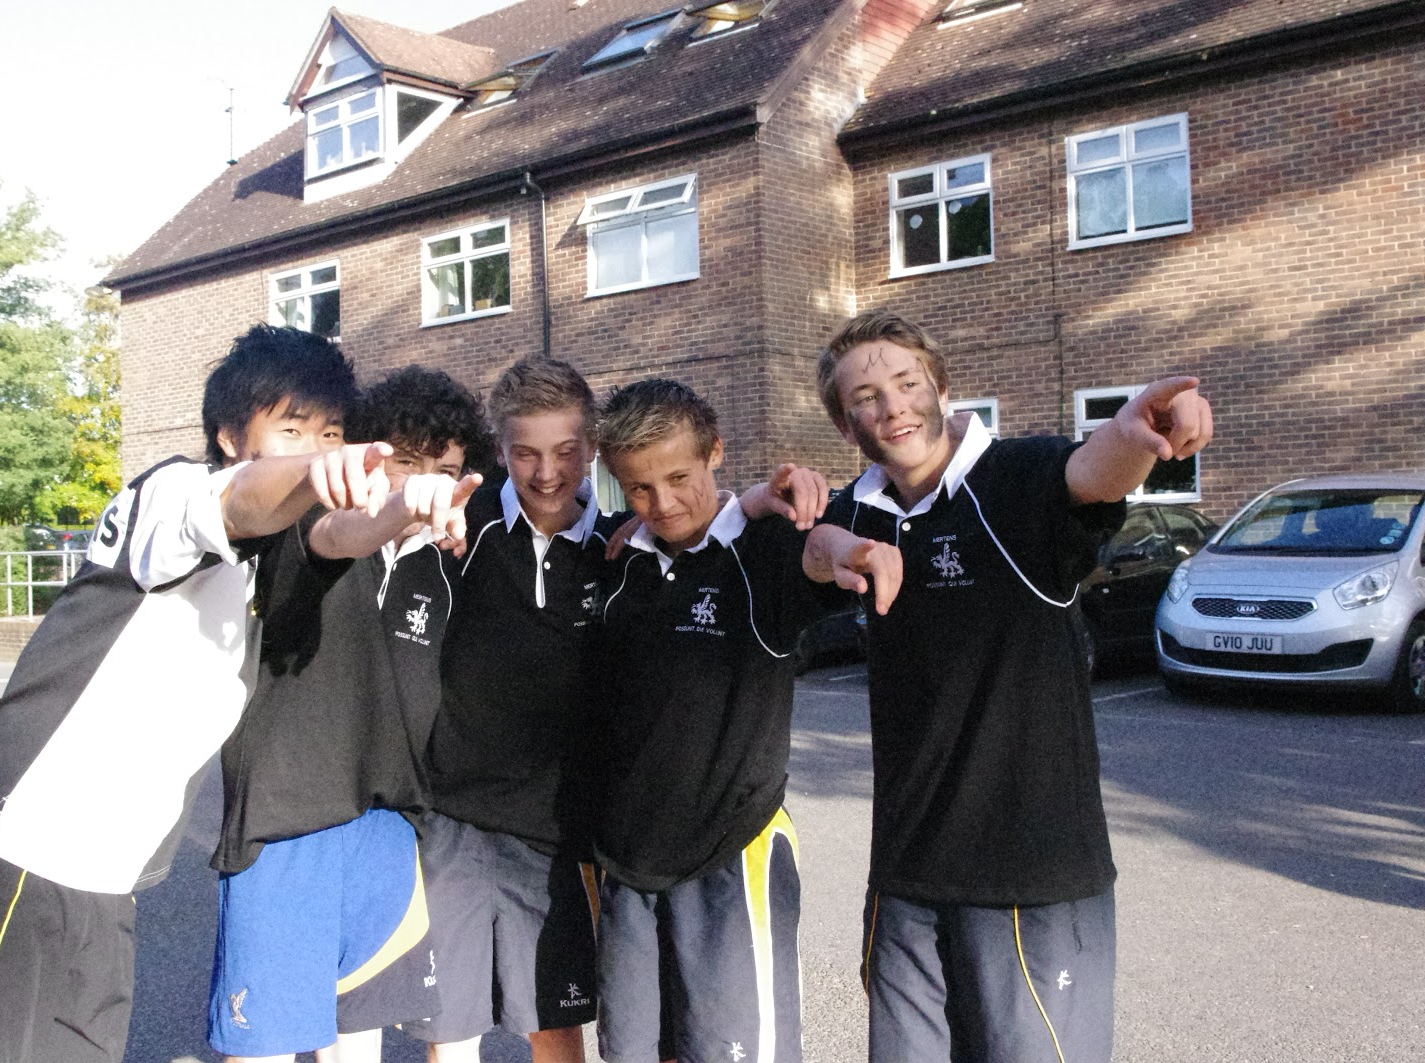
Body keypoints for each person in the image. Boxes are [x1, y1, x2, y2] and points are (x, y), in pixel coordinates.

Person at [0, 323, 416, 1063]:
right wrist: (320, 470)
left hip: (107, 885)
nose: (318, 449)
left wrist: (404, 509)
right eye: (292, 430)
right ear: (230, 435)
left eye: (331, 433)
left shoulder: (263, 563)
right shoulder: (172, 496)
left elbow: (337, 536)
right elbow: (242, 499)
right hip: (13, 851)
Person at [802, 308, 1212, 1063]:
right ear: (844, 422)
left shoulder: (1019, 476)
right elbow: (804, 543)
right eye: (866, 397)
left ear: (941, 387)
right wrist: (830, 543)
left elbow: (1091, 473)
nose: (892, 407)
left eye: (907, 383)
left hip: (1032, 876)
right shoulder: (859, 509)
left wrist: (1137, 432)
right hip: (906, 878)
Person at [208, 365, 488, 1063]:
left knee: (357, 1042)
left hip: (387, 826)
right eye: (407, 462)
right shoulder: (303, 525)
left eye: (444, 471)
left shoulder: (447, 563)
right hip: (286, 822)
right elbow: (342, 534)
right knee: (266, 1045)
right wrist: (398, 509)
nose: (425, 483)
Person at [588, 378, 850, 1063]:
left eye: (679, 477)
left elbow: (824, 549)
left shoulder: (764, 554)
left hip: (731, 852)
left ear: (715, 453)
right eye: (639, 488)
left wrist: (815, 522)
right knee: (635, 1052)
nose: (662, 503)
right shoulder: (618, 564)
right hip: (627, 860)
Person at [406, 357, 620, 1063]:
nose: (547, 472)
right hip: (452, 820)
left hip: (558, 833)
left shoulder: (621, 548)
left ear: (591, 445)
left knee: (553, 1026)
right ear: (500, 449)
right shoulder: (459, 529)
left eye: (565, 450)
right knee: (450, 1026)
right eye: (526, 452)